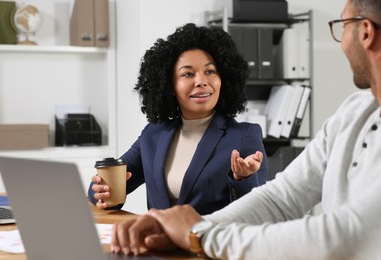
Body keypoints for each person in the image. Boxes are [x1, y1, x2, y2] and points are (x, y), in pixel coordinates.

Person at [110, 0, 381, 258]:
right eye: (188, 74)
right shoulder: (352, 113)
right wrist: (177, 229)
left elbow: (348, 237)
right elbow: (280, 200)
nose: (341, 40)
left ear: (366, 32)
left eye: (342, 25)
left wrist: (199, 234)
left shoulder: (242, 134)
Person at [88, 23, 268, 215]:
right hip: (158, 242)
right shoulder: (153, 135)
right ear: (170, 85)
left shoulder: (244, 136)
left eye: (210, 71)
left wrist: (242, 178)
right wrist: (102, 191)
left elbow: (257, 213)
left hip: (209, 243)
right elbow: (108, 189)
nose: (201, 81)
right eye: (188, 74)